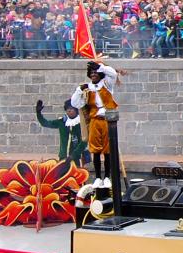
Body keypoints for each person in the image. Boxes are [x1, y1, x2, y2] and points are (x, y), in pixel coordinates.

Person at [71, 61, 120, 190]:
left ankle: (107, 177)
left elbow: (113, 73)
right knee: (95, 150)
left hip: (108, 121)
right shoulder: (87, 88)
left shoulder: (107, 84)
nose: (93, 75)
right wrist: (78, 90)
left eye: (96, 73)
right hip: (94, 121)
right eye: (91, 73)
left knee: (108, 150)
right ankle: (98, 177)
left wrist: (101, 67)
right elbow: (76, 103)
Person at [35, 99, 87, 166]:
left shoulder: (81, 124)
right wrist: (38, 113)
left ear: (76, 110)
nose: (69, 111)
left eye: (71, 109)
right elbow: (45, 123)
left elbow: (84, 142)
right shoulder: (62, 122)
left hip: (75, 159)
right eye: (67, 109)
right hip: (62, 158)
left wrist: (73, 155)